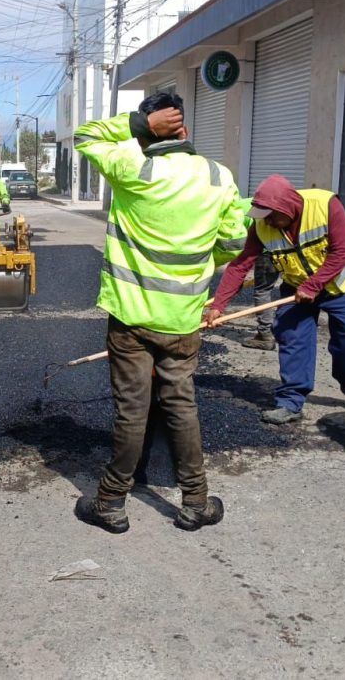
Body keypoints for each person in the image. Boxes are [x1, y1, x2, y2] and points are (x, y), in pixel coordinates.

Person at [72, 91, 250, 534]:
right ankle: (196, 502)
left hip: (132, 318)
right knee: (181, 405)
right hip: (184, 319)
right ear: (184, 129)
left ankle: (111, 503)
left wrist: (136, 124)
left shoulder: (135, 168)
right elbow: (232, 242)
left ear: (152, 130)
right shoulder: (218, 176)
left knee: (132, 410)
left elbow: (84, 135)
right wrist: (197, 272)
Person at [206, 174, 345, 425]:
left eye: (272, 216)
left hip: (340, 285)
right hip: (297, 289)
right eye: (264, 218)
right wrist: (218, 305)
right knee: (292, 338)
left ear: (288, 207)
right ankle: (291, 402)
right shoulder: (262, 227)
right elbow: (241, 265)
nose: (269, 223)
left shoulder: (326, 205)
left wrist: (314, 284)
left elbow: (342, 251)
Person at [242, 252, 280, 350]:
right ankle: (293, 329)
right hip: (293, 252)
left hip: (267, 250)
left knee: (263, 290)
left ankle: (265, 335)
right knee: (295, 285)